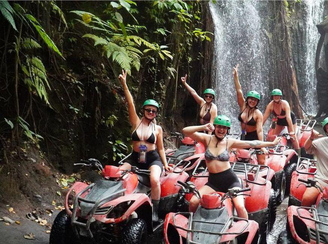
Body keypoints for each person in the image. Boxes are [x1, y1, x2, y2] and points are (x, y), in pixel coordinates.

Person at [182, 115, 280, 219]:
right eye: (219, 126)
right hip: (213, 182)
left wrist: (271, 143)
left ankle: (244, 230)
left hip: (230, 181)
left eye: (224, 128)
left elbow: (252, 143)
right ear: (215, 127)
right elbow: (185, 131)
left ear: (227, 130)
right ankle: (191, 225)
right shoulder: (207, 139)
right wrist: (203, 127)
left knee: (240, 207)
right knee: (193, 202)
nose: (221, 130)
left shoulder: (229, 142)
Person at [118, 70, 171, 222]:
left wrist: (165, 164)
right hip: (135, 157)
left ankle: (155, 210)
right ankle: (120, 204)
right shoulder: (136, 122)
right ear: (143, 110)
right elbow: (130, 103)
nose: (151, 113)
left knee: (154, 180)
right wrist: (124, 84)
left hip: (152, 158)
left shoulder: (158, 129)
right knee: (118, 174)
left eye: (154, 111)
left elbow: (160, 148)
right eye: (148, 110)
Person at [233, 64, 266, 164]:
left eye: (255, 100)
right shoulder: (243, 106)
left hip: (255, 136)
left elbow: (260, 131)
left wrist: (262, 146)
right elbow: (239, 90)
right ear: (247, 99)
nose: (253, 101)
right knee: (241, 158)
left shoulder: (258, 113)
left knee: (261, 160)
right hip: (244, 135)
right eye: (251, 99)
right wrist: (235, 76)